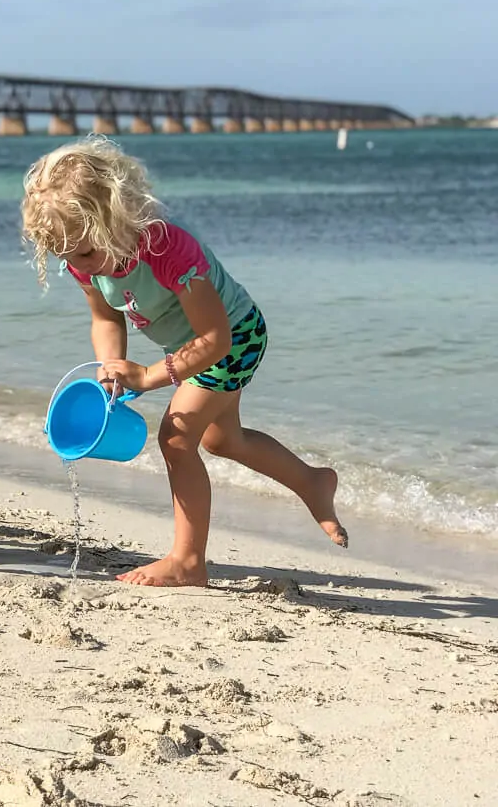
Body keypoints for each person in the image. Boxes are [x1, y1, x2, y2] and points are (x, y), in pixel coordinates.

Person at [21, 137, 345, 587]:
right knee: (222, 441)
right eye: (68, 258)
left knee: (176, 437)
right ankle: (312, 482)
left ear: (114, 219)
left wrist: (151, 376)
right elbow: (104, 317)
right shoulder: (84, 259)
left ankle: (188, 562)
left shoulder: (168, 251)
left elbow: (215, 339)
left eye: (84, 254)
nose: (81, 266)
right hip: (196, 347)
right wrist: (112, 364)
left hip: (235, 338)